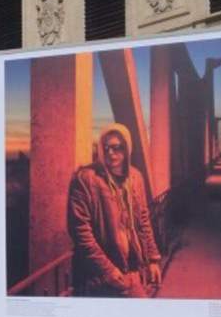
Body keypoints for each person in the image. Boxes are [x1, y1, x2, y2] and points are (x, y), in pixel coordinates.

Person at [67, 123, 162, 298]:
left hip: (132, 270)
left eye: (117, 147)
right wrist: (107, 270)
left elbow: (143, 220)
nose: (111, 152)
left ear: (127, 149)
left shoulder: (135, 177)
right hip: (100, 276)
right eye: (106, 147)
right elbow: (80, 231)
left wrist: (153, 259)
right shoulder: (86, 179)